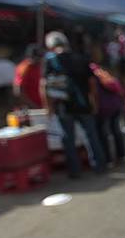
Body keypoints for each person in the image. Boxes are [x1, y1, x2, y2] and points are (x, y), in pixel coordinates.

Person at [40, 31, 106, 177]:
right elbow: (92, 82)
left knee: (68, 138)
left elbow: (44, 86)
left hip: (63, 107)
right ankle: (99, 166)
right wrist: (94, 101)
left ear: (50, 46)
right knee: (91, 135)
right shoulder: (80, 57)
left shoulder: (50, 60)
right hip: (83, 104)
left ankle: (74, 171)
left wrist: (48, 106)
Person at [90, 63, 125, 166]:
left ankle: (108, 159)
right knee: (115, 130)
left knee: (103, 133)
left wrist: (94, 107)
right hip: (115, 105)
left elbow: (94, 94)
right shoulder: (103, 73)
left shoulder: (92, 76)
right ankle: (121, 155)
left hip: (103, 108)